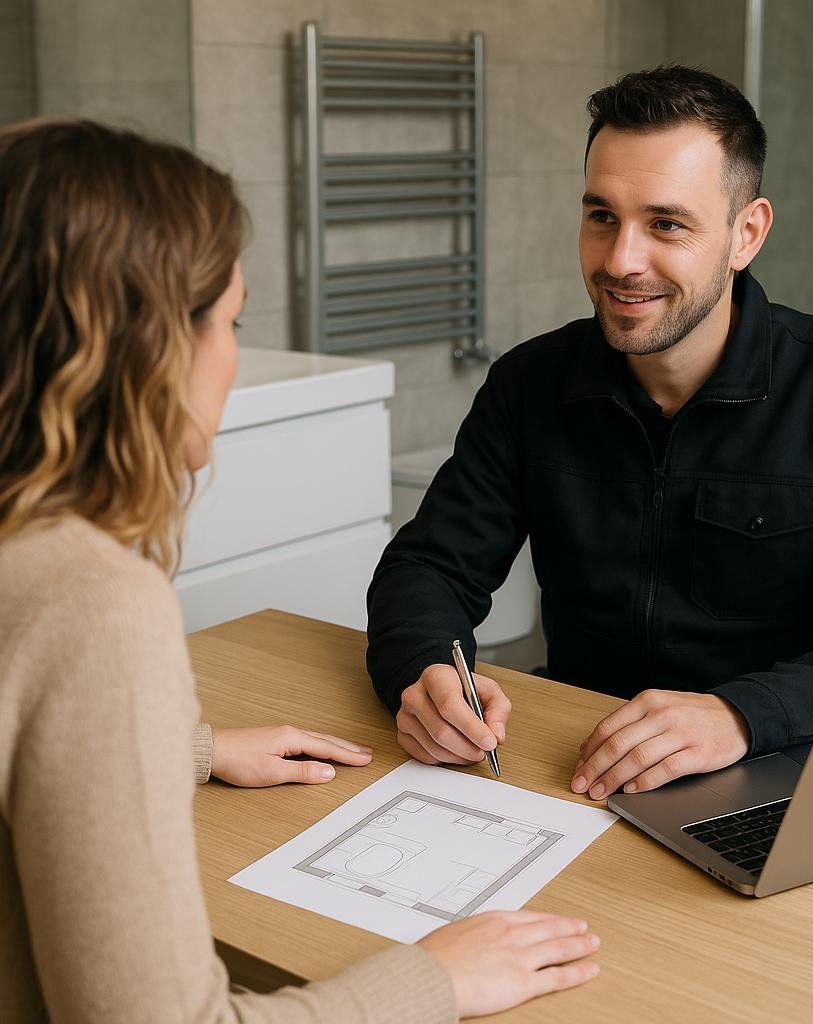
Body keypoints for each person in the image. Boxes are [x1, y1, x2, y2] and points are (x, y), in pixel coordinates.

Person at [0, 119, 600, 1024]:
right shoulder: (91, 600)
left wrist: (181, 748)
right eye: (230, 322)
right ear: (150, 346)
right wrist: (436, 978)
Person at [366, 65, 813, 803]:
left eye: (666, 224)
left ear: (747, 234)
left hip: (786, 766)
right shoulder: (529, 384)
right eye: (602, 216)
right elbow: (429, 569)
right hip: (579, 756)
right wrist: (423, 670)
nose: (620, 262)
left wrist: (742, 715)